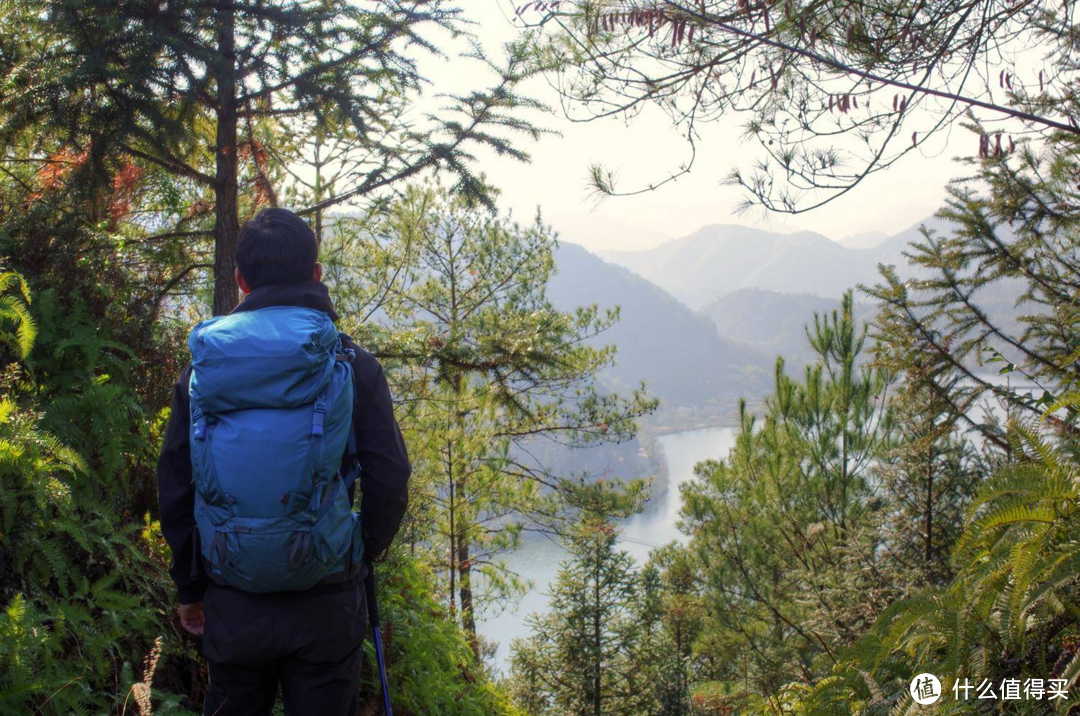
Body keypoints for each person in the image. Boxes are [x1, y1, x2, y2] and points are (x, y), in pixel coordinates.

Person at [157, 208, 411, 716]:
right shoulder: (350, 362)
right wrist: (364, 550)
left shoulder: (201, 371)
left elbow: (176, 483)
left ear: (240, 280)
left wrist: (191, 587)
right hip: (327, 596)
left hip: (232, 594)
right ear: (316, 274)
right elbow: (390, 474)